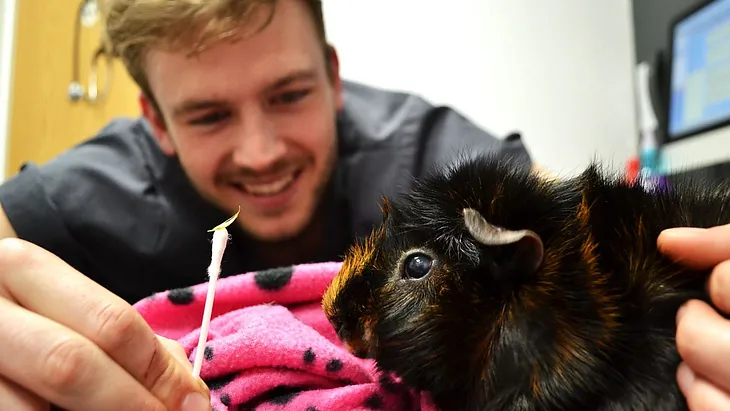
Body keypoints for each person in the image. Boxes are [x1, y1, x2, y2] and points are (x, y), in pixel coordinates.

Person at [0, 0, 726, 410]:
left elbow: (557, 223)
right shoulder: (107, 184)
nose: (261, 152)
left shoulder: (421, 146)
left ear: (334, 75)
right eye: (208, 116)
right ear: (154, 122)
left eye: (289, 94)